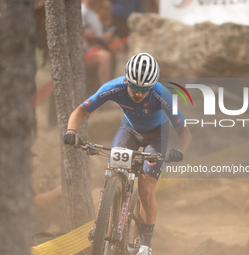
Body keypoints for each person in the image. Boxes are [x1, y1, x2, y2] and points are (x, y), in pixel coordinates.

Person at [64, 52, 192, 255]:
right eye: (134, 87)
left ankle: (145, 245)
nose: (138, 93)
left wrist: (179, 152)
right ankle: (102, 225)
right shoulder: (114, 88)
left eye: (144, 89)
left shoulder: (162, 95)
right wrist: (71, 131)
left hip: (156, 136)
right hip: (129, 130)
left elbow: (184, 132)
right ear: (125, 80)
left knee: (146, 189)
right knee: (112, 171)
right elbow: (81, 110)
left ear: (152, 86)